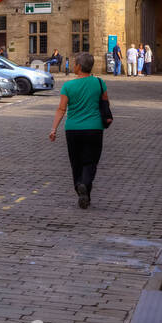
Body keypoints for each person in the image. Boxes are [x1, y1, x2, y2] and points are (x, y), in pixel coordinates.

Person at [49, 52, 107, 209]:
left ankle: (79, 185)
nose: (73, 65)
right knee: (91, 161)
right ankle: (85, 185)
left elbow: (61, 109)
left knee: (76, 162)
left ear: (79, 67)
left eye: (75, 63)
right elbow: (105, 104)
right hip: (94, 128)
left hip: (73, 129)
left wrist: (54, 129)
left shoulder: (68, 86)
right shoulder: (100, 83)